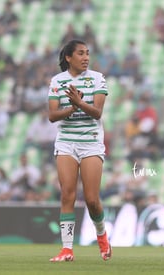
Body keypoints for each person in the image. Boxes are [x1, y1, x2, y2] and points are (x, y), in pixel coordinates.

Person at [48, 39, 111, 262]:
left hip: (91, 143)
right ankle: (67, 249)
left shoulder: (97, 78)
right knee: (67, 194)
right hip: (66, 142)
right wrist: (72, 108)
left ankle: (102, 236)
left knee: (92, 199)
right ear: (68, 58)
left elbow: (97, 112)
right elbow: (52, 115)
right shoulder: (57, 81)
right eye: (81, 53)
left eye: (87, 53)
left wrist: (79, 103)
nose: (86, 57)